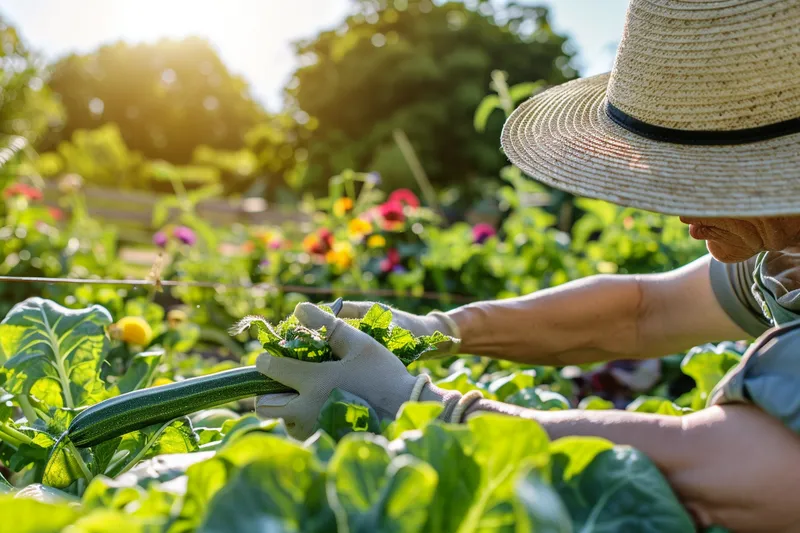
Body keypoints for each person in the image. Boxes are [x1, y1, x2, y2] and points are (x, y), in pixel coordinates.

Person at [255, 1, 800, 531]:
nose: (674, 206)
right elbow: (643, 310)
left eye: (702, 175)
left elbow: (741, 473)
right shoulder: (784, 251)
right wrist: (439, 331)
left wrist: (427, 411)